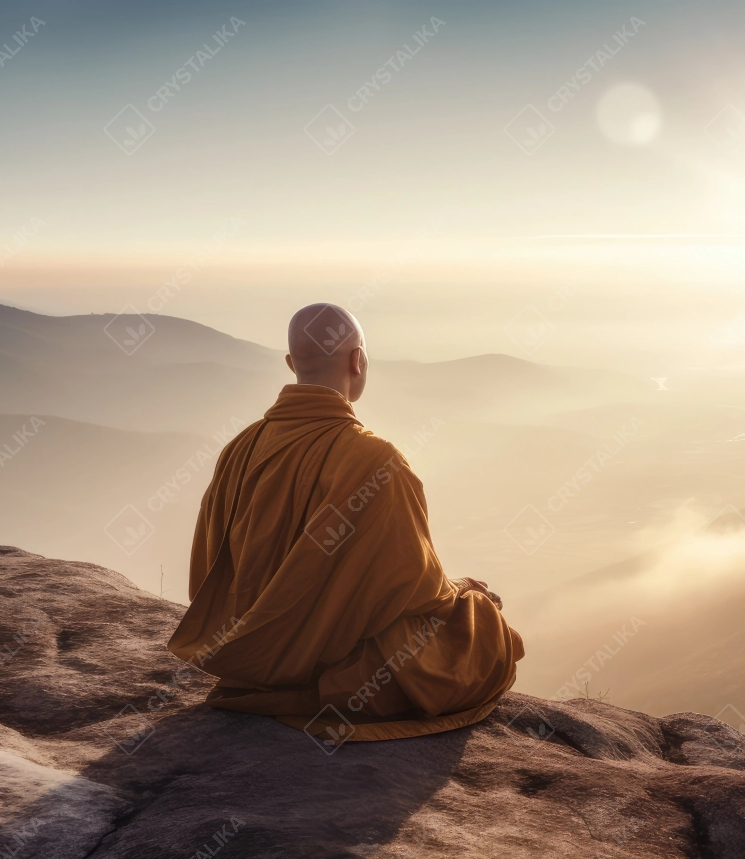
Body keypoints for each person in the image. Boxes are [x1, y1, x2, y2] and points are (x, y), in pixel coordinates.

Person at [168, 303, 522, 745]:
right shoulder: (377, 462)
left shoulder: (239, 449)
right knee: (485, 627)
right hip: (338, 675)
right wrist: (463, 588)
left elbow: (208, 573)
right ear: (358, 360)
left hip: (244, 658)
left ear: (292, 364)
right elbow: (412, 590)